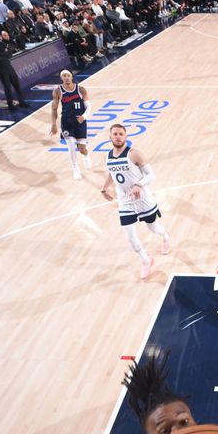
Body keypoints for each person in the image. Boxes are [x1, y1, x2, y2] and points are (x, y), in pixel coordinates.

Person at [100, 124, 171, 280]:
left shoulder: (134, 154)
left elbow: (151, 175)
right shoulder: (107, 156)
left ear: (125, 137)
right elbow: (112, 174)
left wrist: (139, 184)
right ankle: (146, 260)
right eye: (115, 134)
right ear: (110, 137)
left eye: (120, 134)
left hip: (143, 198)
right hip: (125, 200)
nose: (118, 136)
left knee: (154, 228)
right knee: (130, 237)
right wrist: (104, 188)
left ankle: (165, 237)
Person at [50, 69, 90, 179]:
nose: (66, 77)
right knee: (71, 145)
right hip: (66, 122)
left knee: (82, 149)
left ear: (72, 77)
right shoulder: (58, 91)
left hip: (80, 122)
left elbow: (89, 107)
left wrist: (84, 117)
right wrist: (54, 124)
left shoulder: (81, 89)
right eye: (64, 76)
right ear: (61, 78)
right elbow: (54, 109)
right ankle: (75, 168)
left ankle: (86, 155)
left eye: (68, 75)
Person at [0, 28, 27, 111]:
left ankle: (22, 102)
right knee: (7, 87)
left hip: (8, 66)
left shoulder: (0, 43)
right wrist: (3, 54)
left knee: (16, 84)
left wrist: (1, 55)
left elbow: (9, 52)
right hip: (0, 69)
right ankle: (10, 105)